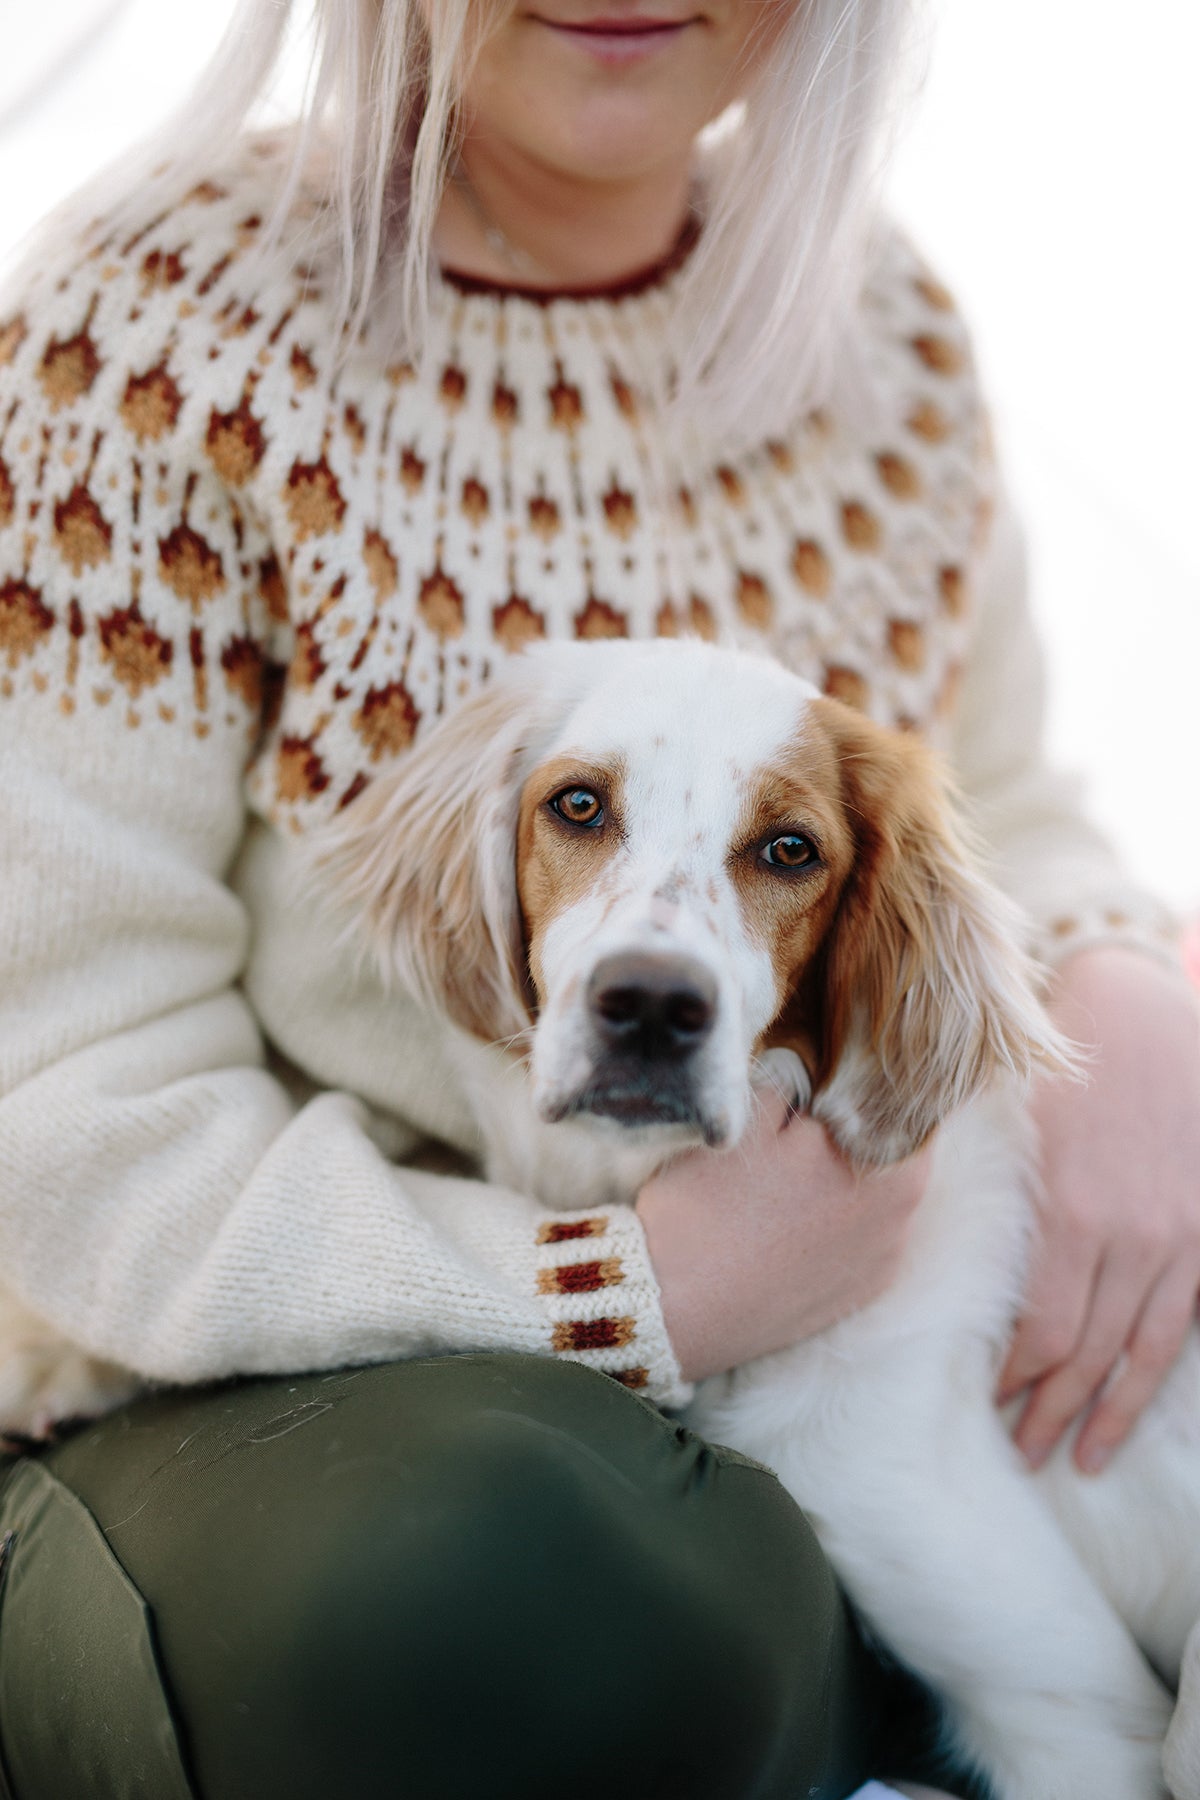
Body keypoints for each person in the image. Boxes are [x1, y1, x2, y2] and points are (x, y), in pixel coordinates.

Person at [1, 3, 1198, 1796]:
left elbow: (1013, 809)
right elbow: (51, 1119)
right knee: (557, 1583)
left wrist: (1129, 989)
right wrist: (615, 1292)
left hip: (797, 1376)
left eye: (771, 852)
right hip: (219, 1411)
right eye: (579, 816)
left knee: (745, 1575)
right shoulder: (152, 343)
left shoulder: (887, 339)